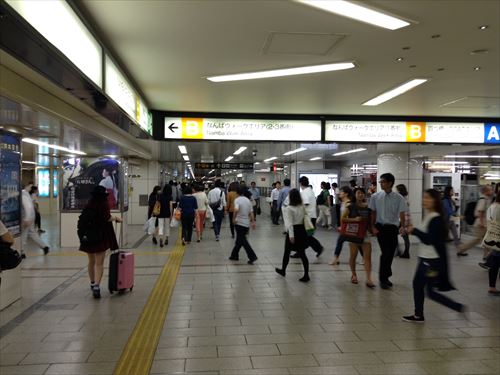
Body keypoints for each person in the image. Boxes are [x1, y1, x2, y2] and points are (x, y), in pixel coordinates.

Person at [402, 189, 464, 322]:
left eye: (428, 198)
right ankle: (457, 307)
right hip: (429, 260)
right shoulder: (431, 216)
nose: (425, 200)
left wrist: (414, 231)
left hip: (429, 262)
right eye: (424, 198)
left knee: (418, 285)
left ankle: (419, 315)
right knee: (429, 291)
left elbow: (429, 239)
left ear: (435, 201)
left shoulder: (435, 218)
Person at [79, 186, 122, 299]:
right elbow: (106, 218)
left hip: (88, 237)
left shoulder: (89, 204)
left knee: (91, 261)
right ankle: (97, 286)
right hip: (100, 236)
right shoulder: (104, 204)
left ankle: (92, 283)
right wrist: (116, 218)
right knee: (99, 263)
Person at [369, 173, 408, 289]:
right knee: (385, 252)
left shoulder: (399, 198)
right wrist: (372, 227)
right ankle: (383, 278)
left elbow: (402, 213)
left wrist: (402, 226)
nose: (381, 183)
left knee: (390, 253)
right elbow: (373, 213)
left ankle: (386, 275)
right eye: (380, 181)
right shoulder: (375, 197)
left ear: (390, 183)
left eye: (383, 181)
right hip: (380, 227)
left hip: (392, 228)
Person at [342, 188, 375, 288]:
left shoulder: (368, 207)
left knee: (367, 257)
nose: (360, 195)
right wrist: (354, 219)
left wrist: (372, 228)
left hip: (365, 234)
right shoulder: (350, 206)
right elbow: (343, 219)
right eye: (358, 193)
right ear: (355, 195)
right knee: (353, 255)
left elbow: (371, 220)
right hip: (354, 234)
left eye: (362, 193)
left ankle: (368, 278)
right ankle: (354, 275)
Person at [276, 189, 310, 282]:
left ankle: (283, 270)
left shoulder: (289, 208)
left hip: (294, 231)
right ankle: (306, 274)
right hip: (302, 230)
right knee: (302, 253)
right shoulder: (302, 207)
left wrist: (291, 236)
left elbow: (289, 223)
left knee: (287, 252)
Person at [458, 185, 493, 257]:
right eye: (490, 190)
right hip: (481, 223)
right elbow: (480, 212)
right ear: (485, 191)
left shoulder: (487, 199)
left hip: (483, 223)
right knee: (478, 240)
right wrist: (481, 222)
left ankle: (487, 256)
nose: (491, 191)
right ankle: (461, 248)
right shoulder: (483, 200)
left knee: (485, 240)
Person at [292, 176, 323, 257]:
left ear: (301, 183)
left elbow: (305, 203)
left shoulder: (305, 192)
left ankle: (318, 248)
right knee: (305, 236)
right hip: (312, 216)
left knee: (304, 236)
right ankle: (301, 252)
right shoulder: (310, 191)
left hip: (307, 217)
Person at [229, 186, 258, 264]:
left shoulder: (237, 200)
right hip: (246, 224)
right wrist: (253, 222)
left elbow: (236, 209)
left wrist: (233, 219)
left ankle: (252, 256)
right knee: (239, 240)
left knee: (243, 241)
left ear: (237, 193)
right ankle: (234, 255)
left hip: (239, 223)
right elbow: (251, 212)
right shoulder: (248, 200)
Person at [21, 185, 49, 257]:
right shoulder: (25, 193)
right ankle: (44, 247)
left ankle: (21, 252)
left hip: (26, 218)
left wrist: (27, 219)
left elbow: (28, 207)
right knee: (32, 233)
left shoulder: (23, 194)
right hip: (30, 216)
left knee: (23, 234)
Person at [330, 186, 353, 265]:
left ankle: (336, 258)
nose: (340, 193)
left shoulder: (349, 203)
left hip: (349, 227)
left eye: (341, 192)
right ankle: (336, 258)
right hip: (344, 227)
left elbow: (349, 216)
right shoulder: (343, 203)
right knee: (340, 241)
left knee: (356, 243)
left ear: (346, 194)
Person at [483, 191, 500, 295]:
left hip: (493, 237)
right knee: (495, 262)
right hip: (498, 238)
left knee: (495, 262)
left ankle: (492, 286)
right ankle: (492, 287)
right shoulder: (499, 207)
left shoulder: (492, 206)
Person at [396, 184, 411, 258]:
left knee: (393, 235)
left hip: (402, 220)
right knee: (406, 237)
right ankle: (406, 253)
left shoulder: (400, 199)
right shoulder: (405, 198)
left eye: (397, 190)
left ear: (399, 191)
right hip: (407, 219)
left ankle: (399, 251)